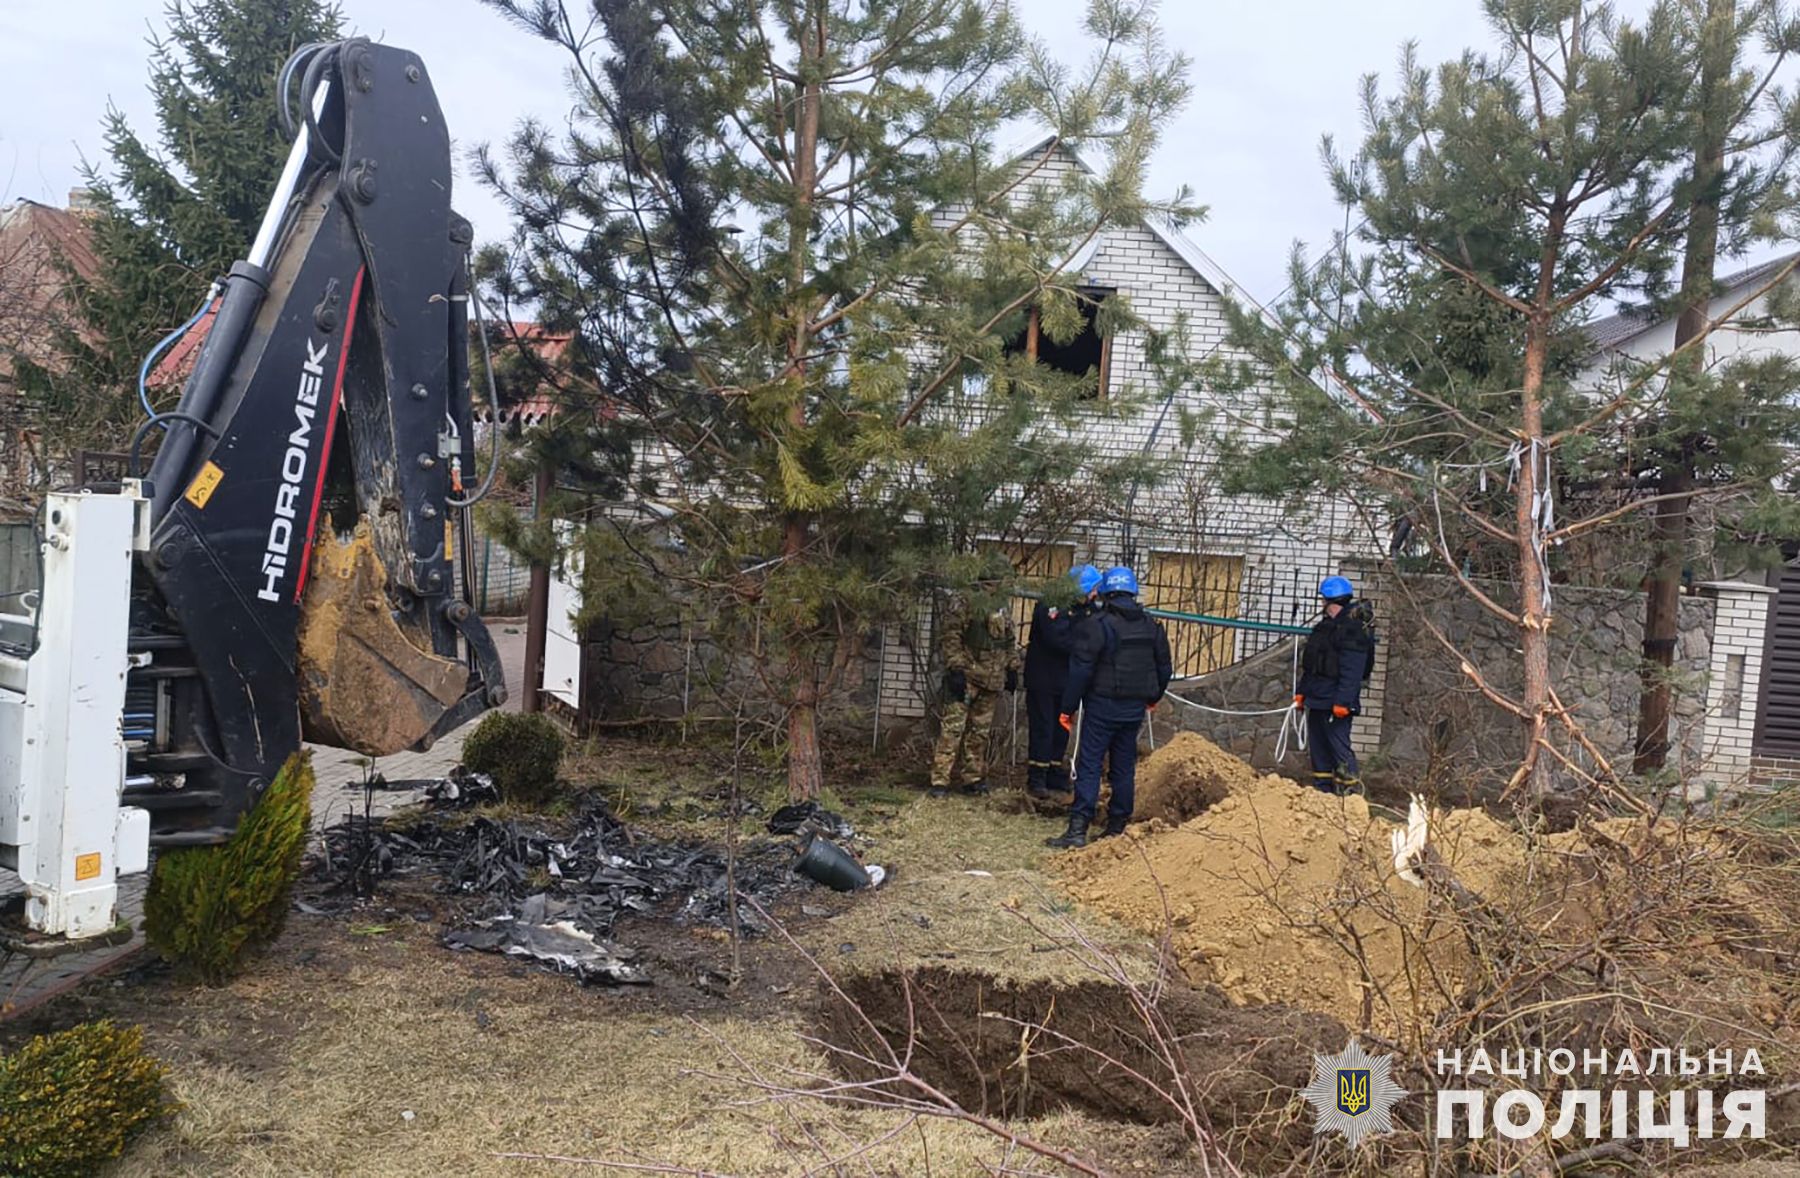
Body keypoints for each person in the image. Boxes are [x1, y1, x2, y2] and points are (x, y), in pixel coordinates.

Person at [1046, 565, 1172, 848]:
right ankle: (1117, 827)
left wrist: (1067, 709)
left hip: (1102, 707)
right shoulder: (1152, 626)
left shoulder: (1097, 625)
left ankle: (1078, 830)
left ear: (1106, 592)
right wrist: (1152, 698)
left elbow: (1080, 671)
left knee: (1090, 765)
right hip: (1134, 709)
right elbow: (1165, 668)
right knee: (1123, 767)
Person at [929, 586, 1020, 797]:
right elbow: (951, 636)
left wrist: (1012, 667)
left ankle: (973, 778)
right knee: (952, 730)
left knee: (979, 733)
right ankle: (940, 780)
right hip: (967, 677)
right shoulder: (965, 600)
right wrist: (956, 668)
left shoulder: (1001, 605)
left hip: (991, 680)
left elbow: (1008, 640)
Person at [1023, 564, 1102, 800]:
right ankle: (1037, 775)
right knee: (1043, 727)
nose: (1095, 595)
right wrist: (1086, 645)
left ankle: (1054, 771)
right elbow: (1058, 639)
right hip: (1044, 678)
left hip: (1067, 680)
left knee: (1061, 728)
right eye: (1092, 589)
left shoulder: (1086, 609)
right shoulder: (1052, 604)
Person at [1293, 575, 1372, 794]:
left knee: (1338, 747)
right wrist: (1301, 693)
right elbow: (1312, 665)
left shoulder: (1353, 630)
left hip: (1336, 702)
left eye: (1323, 599)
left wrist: (1343, 702)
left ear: (1330, 600)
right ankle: (1323, 793)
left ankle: (1351, 795)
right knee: (1318, 748)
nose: (1321, 603)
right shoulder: (1324, 628)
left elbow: (1352, 672)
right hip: (1317, 699)